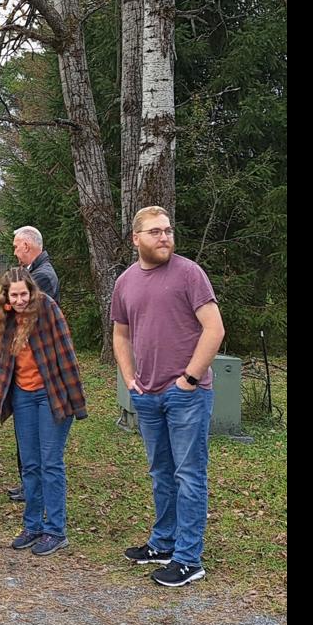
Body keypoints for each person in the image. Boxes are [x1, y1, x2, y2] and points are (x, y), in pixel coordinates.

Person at [112, 206, 226, 588]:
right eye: (155, 232)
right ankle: (163, 543)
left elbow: (214, 328)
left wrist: (189, 379)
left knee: (189, 475)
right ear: (136, 238)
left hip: (186, 397)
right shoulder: (125, 282)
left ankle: (189, 558)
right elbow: (121, 335)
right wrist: (130, 380)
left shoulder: (189, 273)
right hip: (147, 397)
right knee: (162, 474)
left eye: (168, 231)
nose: (164, 237)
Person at [0, 267, 86, 556]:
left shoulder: (47, 309)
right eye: (14, 294)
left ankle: (55, 529)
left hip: (52, 394)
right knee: (29, 464)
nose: (19, 300)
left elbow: (66, 351)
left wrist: (75, 401)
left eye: (23, 293)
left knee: (50, 463)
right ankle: (32, 525)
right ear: (6, 294)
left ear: (32, 291)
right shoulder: (3, 317)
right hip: (23, 396)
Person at [6, 226, 60, 502]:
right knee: (27, 440)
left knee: (40, 443)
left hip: (40, 371)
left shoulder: (43, 276)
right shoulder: (34, 273)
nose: (14, 252)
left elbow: (21, 312)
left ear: (27, 245)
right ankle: (29, 484)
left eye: (16, 246)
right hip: (25, 367)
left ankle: (34, 489)